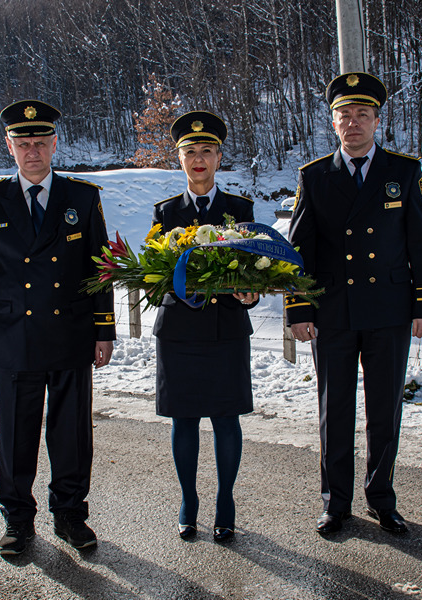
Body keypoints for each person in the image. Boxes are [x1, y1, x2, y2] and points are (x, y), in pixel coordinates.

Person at [286, 73, 422, 536]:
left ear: (376, 120)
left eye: (362, 115)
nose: (353, 123)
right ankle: (335, 503)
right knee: (334, 410)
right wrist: (299, 308)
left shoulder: (404, 172)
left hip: (388, 309)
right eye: (344, 115)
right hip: (333, 311)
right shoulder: (314, 176)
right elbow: (299, 250)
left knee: (384, 410)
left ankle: (381, 498)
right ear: (333, 123)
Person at [0, 99, 115, 555]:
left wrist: (103, 328)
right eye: (23, 143)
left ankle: (70, 514)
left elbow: (101, 268)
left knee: (71, 434)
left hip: (71, 333)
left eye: (40, 143)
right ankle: (17, 518)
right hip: (14, 335)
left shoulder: (82, 197)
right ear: (9, 147)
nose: (33, 151)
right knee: (15, 433)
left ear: (54, 144)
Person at [151, 111, 259, 543]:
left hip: (226, 330)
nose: (199, 159)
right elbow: (156, 276)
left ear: (219, 157)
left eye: (207, 151)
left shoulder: (240, 210)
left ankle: (225, 500)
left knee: (226, 419)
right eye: (190, 152)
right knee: (184, 420)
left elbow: (255, 269)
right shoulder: (165, 212)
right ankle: (189, 500)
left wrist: (250, 294)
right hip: (179, 332)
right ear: (179, 159)